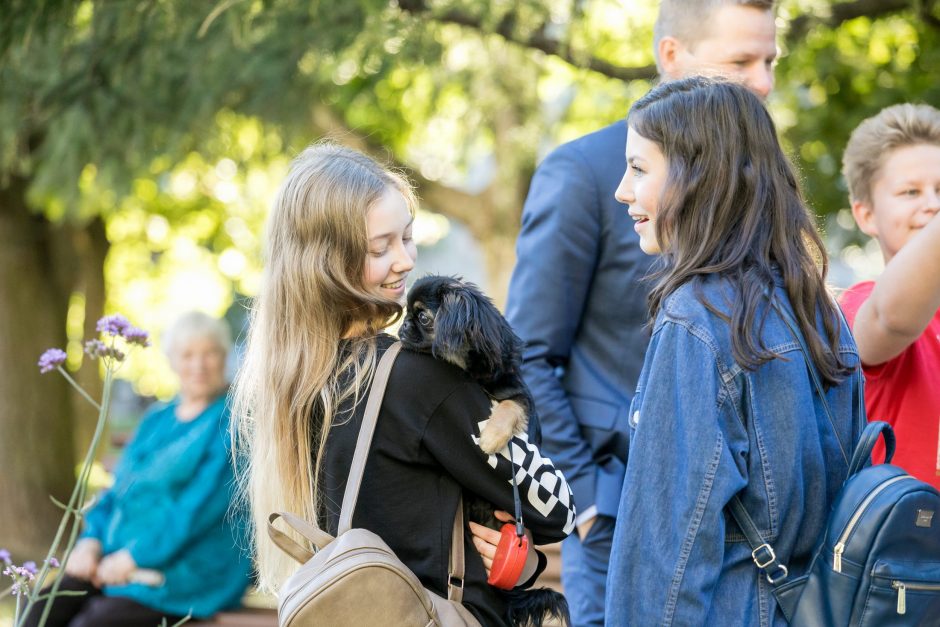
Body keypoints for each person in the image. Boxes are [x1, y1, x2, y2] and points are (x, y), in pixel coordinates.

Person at [503, 2, 777, 624]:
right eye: (741, 61)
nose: (762, 81)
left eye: (769, 61)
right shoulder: (585, 173)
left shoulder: (759, 182)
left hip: (745, 533)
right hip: (620, 515)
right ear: (672, 57)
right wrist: (588, 499)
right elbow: (529, 351)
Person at [231, 143, 576, 626]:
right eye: (380, 247)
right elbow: (556, 510)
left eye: (407, 237)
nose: (405, 260)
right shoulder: (414, 378)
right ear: (328, 264)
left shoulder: (299, 381)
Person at [605, 77, 864, 625]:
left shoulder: (695, 321)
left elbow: (664, 563)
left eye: (639, 168)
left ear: (698, 176)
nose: (622, 191)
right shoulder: (818, 310)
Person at [24, 311, 253, 627]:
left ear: (225, 357)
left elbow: (196, 511)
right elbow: (118, 490)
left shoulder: (232, 423)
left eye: (210, 354)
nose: (198, 366)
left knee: (93, 623)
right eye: (188, 355)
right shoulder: (157, 419)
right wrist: (90, 542)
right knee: (40, 611)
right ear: (173, 361)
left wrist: (133, 557)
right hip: (114, 561)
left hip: (187, 569)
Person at [838, 103, 940, 489]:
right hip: (908, 547)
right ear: (866, 215)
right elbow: (890, 319)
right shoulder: (859, 302)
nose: (931, 204)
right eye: (910, 191)